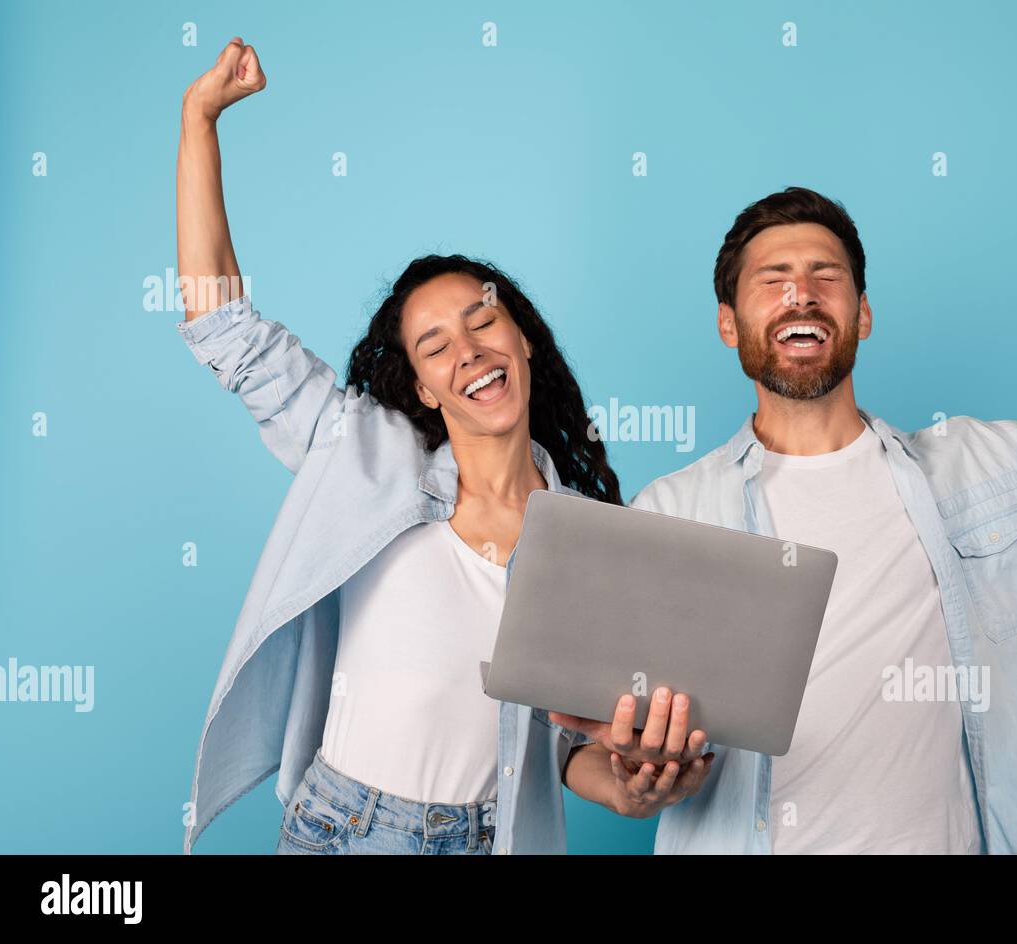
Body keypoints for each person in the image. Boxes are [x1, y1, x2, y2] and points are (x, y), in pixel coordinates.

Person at [588, 170, 1017, 853]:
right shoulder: (670, 514)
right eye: (772, 278)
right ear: (729, 324)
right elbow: (591, 733)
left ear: (863, 313)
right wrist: (640, 770)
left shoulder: (991, 470)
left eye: (824, 275)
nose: (800, 293)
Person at [176, 37, 711, 855]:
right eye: (434, 345)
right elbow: (224, 327)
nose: (468, 352)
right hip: (341, 828)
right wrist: (199, 121)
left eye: (483, 321)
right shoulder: (364, 450)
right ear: (423, 387)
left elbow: (566, 748)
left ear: (523, 339)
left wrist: (635, 790)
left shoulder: (586, 535)